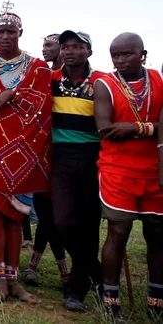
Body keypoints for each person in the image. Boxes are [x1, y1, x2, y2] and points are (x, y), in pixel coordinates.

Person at [0, 2, 52, 304]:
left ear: (20, 33)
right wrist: (6, 98)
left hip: (24, 153)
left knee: (16, 218)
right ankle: (0, 281)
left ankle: (15, 281)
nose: (5, 36)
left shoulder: (38, 67)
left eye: (10, 31)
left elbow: (40, 105)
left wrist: (11, 94)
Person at [95, 33, 163, 321]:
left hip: (155, 168)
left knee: (158, 236)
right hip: (117, 169)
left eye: (127, 54)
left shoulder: (159, 80)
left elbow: (137, 128)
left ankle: (156, 300)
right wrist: (153, 127)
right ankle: (111, 298)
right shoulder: (105, 84)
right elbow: (107, 129)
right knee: (118, 233)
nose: (121, 61)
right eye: (116, 55)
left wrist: (138, 128)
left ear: (143, 54)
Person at [43, 31, 105, 312]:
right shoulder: (50, 80)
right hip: (61, 158)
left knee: (89, 224)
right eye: (65, 47)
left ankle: (76, 289)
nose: (69, 52)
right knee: (63, 221)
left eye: (77, 47)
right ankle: (97, 272)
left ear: (88, 52)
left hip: (93, 158)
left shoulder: (102, 81)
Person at [21, 37, 72, 290]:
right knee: (44, 213)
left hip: (65, 152)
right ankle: (55, 268)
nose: (44, 49)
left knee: (57, 216)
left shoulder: (68, 81)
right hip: (41, 151)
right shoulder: (43, 76)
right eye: (43, 46)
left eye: (50, 45)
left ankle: (41, 265)